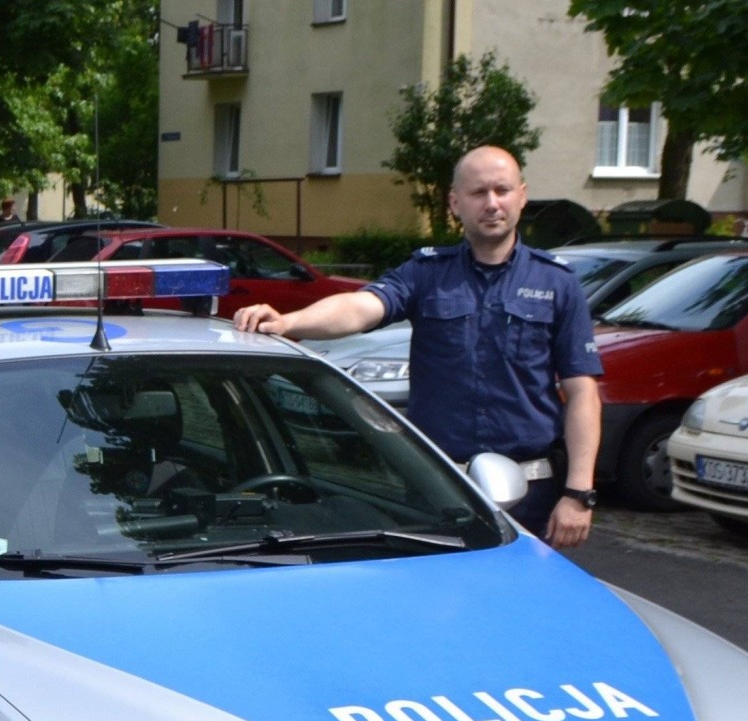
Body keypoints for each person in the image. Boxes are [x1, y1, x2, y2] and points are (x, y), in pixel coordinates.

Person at [234, 146, 602, 549]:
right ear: (455, 202)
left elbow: (583, 393)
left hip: (531, 493)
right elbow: (361, 308)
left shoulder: (557, 283)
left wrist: (577, 494)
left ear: (522, 195)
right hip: (439, 490)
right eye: (478, 192)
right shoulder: (427, 273)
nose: (492, 203)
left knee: (527, 605)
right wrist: (291, 322)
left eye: (503, 190)